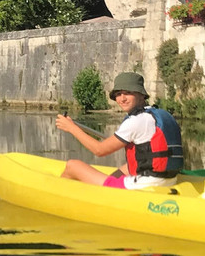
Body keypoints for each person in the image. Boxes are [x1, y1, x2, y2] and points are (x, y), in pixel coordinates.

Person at [55, 72, 184, 189]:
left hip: (145, 184)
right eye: (118, 94)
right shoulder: (160, 114)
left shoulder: (136, 121)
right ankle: (105, 188)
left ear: (141, 95)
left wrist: (71, 128)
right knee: (126, 167)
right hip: (167, 180)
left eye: (128, 93)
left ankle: (58, 197)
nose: (122, 99)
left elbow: (99, 150)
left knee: (73, 165)